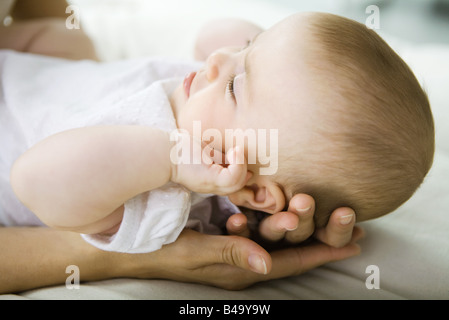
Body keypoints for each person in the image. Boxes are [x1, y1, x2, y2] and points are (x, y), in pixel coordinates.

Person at [0, 0, 367, 294]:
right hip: (38, 76)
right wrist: (268, 53)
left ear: (254, 188)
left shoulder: (164, 201)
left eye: (235, 87)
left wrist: (170, 162)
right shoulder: (205, 102)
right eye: (246, 51)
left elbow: (31, 178)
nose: (217, 61)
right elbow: (214, 34)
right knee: (64, 42)